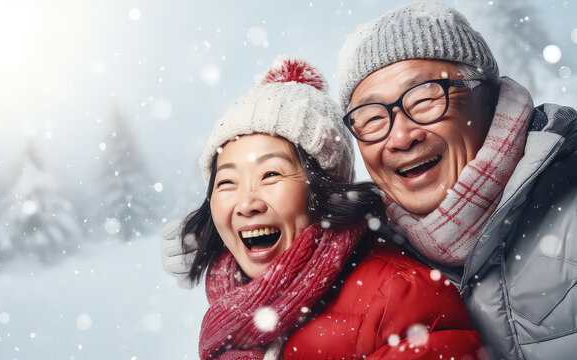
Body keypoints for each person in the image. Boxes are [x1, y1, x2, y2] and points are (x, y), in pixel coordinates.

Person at [168, 57, 482, 359]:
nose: (247, 203)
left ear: (325, 190)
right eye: (226, 182)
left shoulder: (400, 297)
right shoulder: (232, 301)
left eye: (271, 174)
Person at [337, 2, 577, 359]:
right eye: (371, 118)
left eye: (424, 99)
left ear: (488, 97)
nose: (401, 137)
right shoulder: (367, 268)